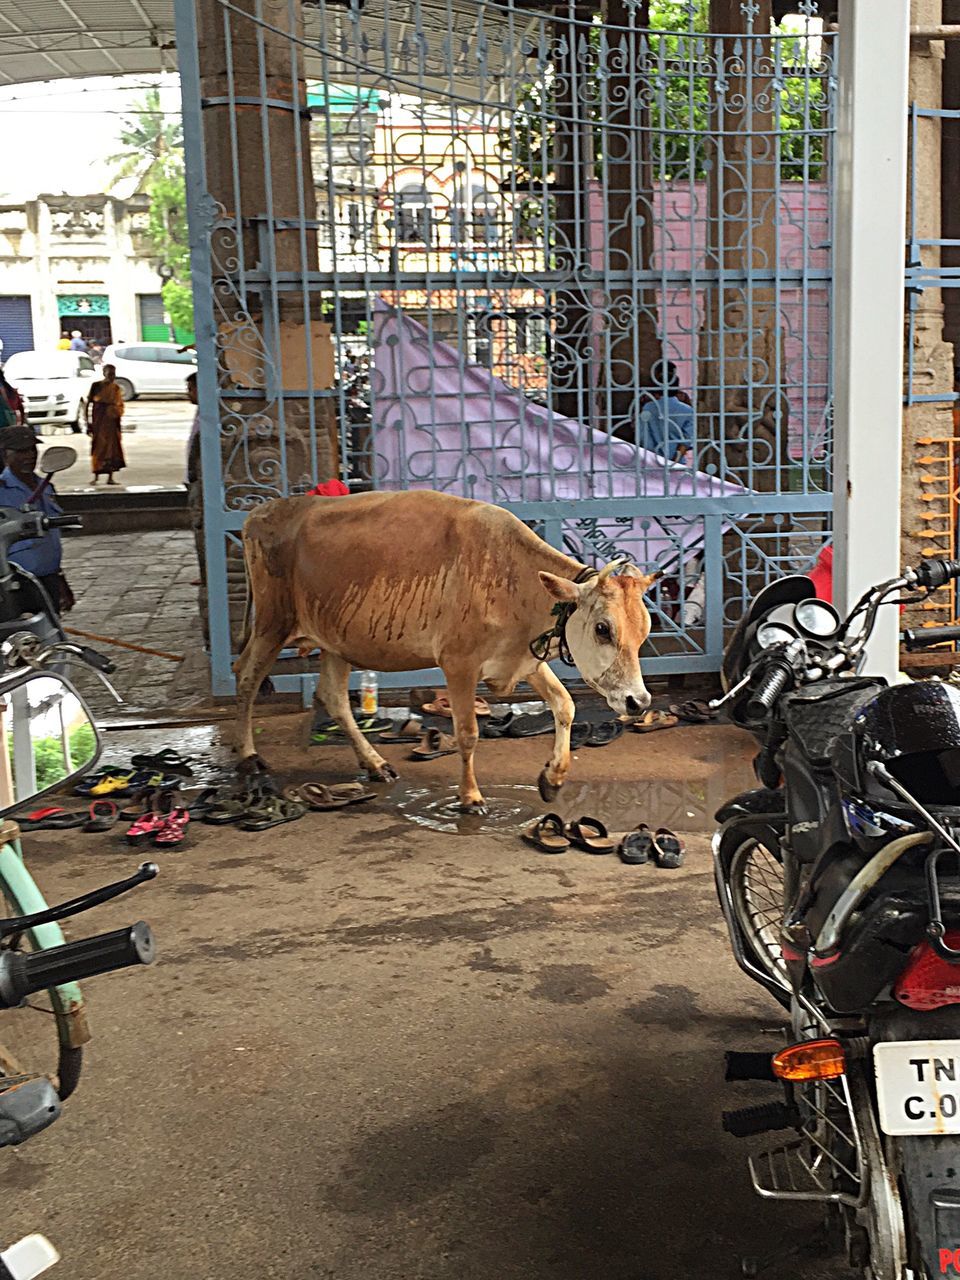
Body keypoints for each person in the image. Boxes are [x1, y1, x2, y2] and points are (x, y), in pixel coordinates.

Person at [0, 426, 75, 613]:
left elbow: (51, 539)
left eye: (32, 450)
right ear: (4, 454)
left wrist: (60, 578)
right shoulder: (1, 490)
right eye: (21, 451)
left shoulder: (45, 487)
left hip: (48, 577)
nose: (29, 456)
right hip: (16, 581)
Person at [636, 363, 695, 463]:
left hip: (651, 459)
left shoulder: (648, 407)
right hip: (676, 461)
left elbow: (642, 435)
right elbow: (688, 439)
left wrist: (653, 454)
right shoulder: (687, 410)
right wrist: (675, 460)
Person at [84, 363, 126, 485]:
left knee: (112, 449)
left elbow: (119, 405)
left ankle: (110, 477)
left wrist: (116, 413)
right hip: (99, 422)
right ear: (104, 373)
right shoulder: (96, 386)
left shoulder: (116, 388)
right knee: (98, 448)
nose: (112, 377)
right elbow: (88, 404)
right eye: (110, 374)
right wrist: (87, 422)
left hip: (112, 423)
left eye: (114, 374)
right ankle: (96, 476)